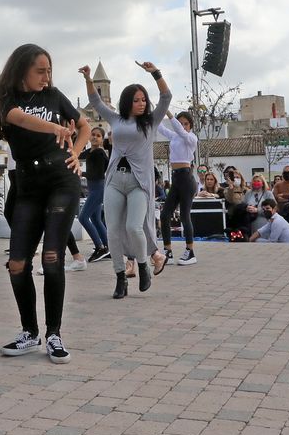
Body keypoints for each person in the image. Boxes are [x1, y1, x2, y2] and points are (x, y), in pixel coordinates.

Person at [0, 45, 90, 363]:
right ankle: (29, 333)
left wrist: (76, 151)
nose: (47, 77)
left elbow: (83, 126)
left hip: (61, 181)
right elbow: (17, 118)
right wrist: (56, 128)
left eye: (49, 70)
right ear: (22, 71)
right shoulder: (7, 99)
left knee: (52, 255)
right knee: (17, 264)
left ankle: (54, 334)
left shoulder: (55, 95)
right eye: (40, 71)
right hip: (28, 188)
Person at [82, 61, 172, 299]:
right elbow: (95, 102)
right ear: (127, 102)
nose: (142, 103)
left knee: (134, 227)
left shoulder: (151, 121)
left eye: (143, 99)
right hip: (114, 181)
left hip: (139, 183)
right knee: (112, 230)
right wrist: (89, 79)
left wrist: (155, 73)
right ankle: (120, 278)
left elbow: (166, 96)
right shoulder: (116, 119)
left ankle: (143, 266)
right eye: (137, 100)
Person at [158, 112, 200, 266]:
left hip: (186, 179)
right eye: (180, 123)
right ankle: (167, 252)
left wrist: (169, 114)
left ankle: (190, 251)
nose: (182, 126)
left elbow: (180, 130)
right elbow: (161, 128)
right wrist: (155, 113)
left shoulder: (191, 138)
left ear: (190, 126)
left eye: (186, 123)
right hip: (175, 178)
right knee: (165, 215)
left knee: (184, 215)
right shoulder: (175, 136)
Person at [76, 128, 111, 263]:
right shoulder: (90, 152)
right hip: (93, 189)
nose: (95, 137)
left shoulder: (100, 153)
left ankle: (100, 247)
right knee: (96, 219)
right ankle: (109, 248)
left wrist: (81, 174)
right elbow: (76, 154)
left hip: (98, 189)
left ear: (102, 139)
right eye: (93, 134)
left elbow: (98, 174)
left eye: (98, 136)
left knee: (83, 217)